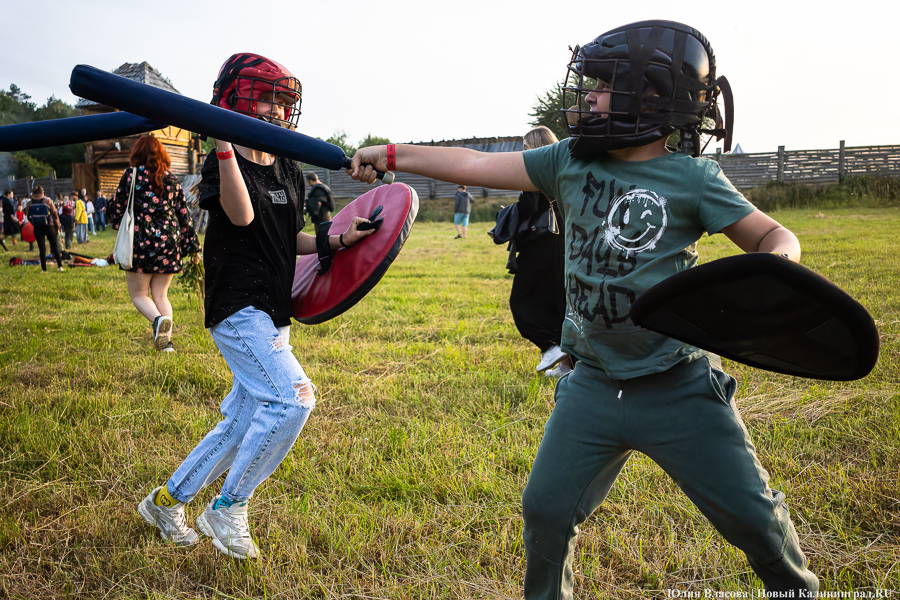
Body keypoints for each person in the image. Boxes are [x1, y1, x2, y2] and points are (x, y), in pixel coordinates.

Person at [349, 20, 818, 599]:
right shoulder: (566, 160)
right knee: (545, 509)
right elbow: (472, 163)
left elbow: (775, 237)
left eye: (602, 85)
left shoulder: (694, 178)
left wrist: (775, 272)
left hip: (678, 386)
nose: (589, 97)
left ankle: (798, 589)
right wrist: (389, 153)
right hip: (592, 383)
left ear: (651, 96)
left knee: (752, 519)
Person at [135, 53, 374, 560]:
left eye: (282, 101)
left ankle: (165, 501)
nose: (275, 109)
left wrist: (338, 240)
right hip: (238, 307)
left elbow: (289, 239)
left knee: (242, 421)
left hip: (273, 307)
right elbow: (242, 217)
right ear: (233, 101)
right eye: (265, 98)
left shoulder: (287, 162)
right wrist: (222, 137)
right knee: (293, 399)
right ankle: (228, 506)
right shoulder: (220, 160)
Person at [107, 135, 201, 353]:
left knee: (139, 295)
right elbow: (184, 217)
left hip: (141, 243)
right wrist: (194, 248)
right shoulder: (173, 180)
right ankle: (166, 344)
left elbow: (118, 207)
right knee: (161, 295)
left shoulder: (131, 176)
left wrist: (111, 211)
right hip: (169, 243)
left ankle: (158, 321)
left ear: (137, 154)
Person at [510, 126, 571, 378]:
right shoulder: (563, 168)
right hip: (564, 240)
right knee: (561, 302)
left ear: (535, 147)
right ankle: (568, 366)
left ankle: (549, 346)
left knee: (521, 300)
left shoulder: (534, 172)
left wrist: (510, 213)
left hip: (539, 243)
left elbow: (528, 207)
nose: (523, 153)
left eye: (525, 147)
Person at [25, 186, 64, 273]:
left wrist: (34, 222)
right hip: (50, 226)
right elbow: (55, 214)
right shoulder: (48, 201)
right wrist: (58, 225)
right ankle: (60, 266)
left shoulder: (29, 203)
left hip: (37, 227)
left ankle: (44, 269)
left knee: (42, 248)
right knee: (54, 246)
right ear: (42, 192)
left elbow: (28, 215)